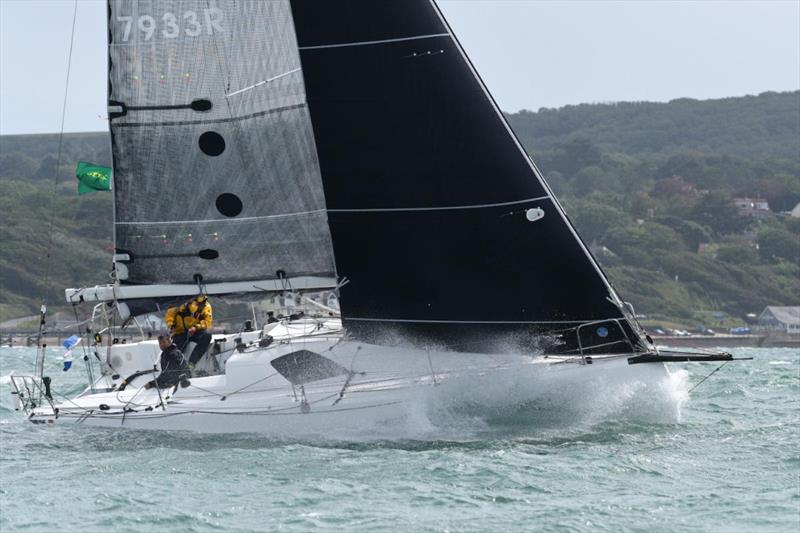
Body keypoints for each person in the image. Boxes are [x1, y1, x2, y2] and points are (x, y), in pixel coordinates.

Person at [165, 295, 213, 369]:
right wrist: (171, 325)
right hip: (180, 333)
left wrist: (196, 327)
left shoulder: (205, 305)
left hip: (196, 332)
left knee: (207, 336)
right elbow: (170, 314)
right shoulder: (178, 303)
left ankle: (192, 363)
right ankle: (174, 368)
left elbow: (207, 322)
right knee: (176, 350)